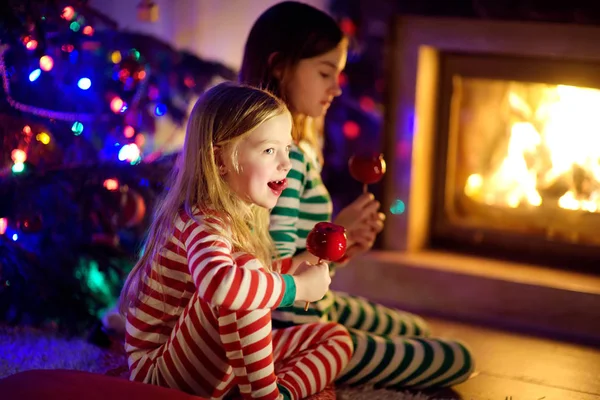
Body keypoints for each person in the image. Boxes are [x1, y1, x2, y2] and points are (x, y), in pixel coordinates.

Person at [239, 1, 474, 389]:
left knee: (416, 327)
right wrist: (336, 232)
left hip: (318, 307)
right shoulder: (283, 163)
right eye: (325, 72)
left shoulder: (298, 151)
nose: (336, 87)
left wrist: (341, 249)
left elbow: (309, 267)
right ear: (279, 65)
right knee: (456, 358)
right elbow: (275, 286)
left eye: (339, 74)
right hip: (296, 330)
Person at [119, 82, 354, 400]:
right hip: (161, 376)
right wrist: (295, 288)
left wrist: (294, 268)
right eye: (270, 150)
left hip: (215, 362)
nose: (286, 163)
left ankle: (279, 392)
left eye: (288, 148)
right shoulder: (202, 220)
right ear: (221, 160)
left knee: (336, 338)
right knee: (245, 273)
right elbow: (220, 284)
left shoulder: (236, 214)